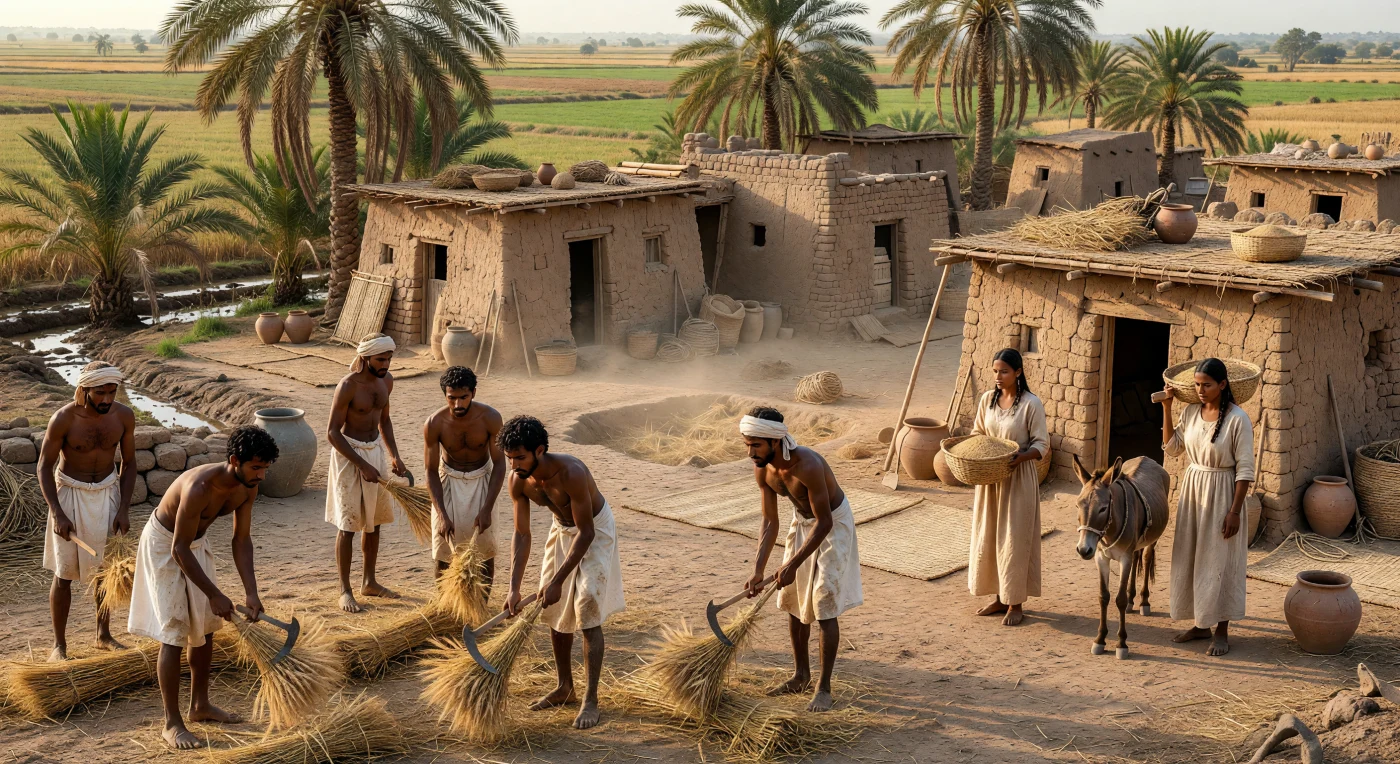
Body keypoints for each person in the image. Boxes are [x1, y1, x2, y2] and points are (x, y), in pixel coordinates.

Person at [127, 426, 278, 750]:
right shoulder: (199, 487)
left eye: (266, 468)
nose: (262, 475)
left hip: (195, 545)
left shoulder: (247, 487)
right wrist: (214, 593)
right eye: (256, 467)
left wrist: (251, 592)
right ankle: (172, 723)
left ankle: (200, 706)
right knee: (175, 632)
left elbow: (241, 539)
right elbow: (177, 549)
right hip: (164, 544)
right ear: (235, 460)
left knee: (207, 629)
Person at [501, 415, 624, 731]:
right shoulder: (518, 480)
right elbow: (522, 534)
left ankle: (591, 699)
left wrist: (557, 581)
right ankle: (564, 687)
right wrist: (513, 589)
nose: (514, 464)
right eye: (509, 457)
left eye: (520, 457)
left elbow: (586, 533)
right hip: (561, 530)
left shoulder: (571, 472)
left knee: (586, 606)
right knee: (553, 607)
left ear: (539, 450)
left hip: (594, 529)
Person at [741, 406, 862, 713]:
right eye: (747, 444)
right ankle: (800, 676)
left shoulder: (807, 465)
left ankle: (823, 688)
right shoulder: (762, 470)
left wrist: (792, 565)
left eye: (755, 445)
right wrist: (758, 570)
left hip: (832, 523)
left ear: (774, 441)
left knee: (823, 605)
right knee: (793, 601)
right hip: (802, 522)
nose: (750, 452)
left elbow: (824, 523)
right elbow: (769, 522)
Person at [38, 361, 137, 660]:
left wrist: (123, 508)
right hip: (69, 494)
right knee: (64, 574)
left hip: (108, 492)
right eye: (99, 393)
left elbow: (129, 463)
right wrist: (57, 512)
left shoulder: (124, 416)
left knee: (106, 570)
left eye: (112, 391)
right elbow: (44, 465)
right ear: (84, 390)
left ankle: (103, 634)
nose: (106, 399)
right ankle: (59, 645)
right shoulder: (63, 419)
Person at [1161, 357, 1255, 657]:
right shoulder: (1190, 412)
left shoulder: (1238, 419)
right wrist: (1166, 408)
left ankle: (1222, 629)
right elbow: (1173, 448)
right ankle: (1201, 624)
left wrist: (1235, 511)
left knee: (1220, 561)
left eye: (1207, 385)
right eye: (1197, 385)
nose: (1201, 390)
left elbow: (1245, 470)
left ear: (1223, 385)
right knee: (1193, 558)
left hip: (1223, 495)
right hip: (1194, 492)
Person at [325, 333, 408, 613]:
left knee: (374, 522)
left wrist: (394, 456)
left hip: (375, 452)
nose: (386, 364)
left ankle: (369, 582)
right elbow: (332, 433)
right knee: (348, 525)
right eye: (381, 359)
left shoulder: (387, 381)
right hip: (349, 455)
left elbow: (385, 421)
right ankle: (345, 590)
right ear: (365, 358)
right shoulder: (348, 386)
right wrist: (361, 464)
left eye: (389, 358)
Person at [968, 348, 1049, 627]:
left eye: (1004, 371)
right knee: (989, 536)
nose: (998, 377)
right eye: (995, 371)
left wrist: (1020, 457)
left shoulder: (1031, 404)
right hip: (991, 480)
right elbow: (977, 433)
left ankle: (1016, 602)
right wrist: (981, 455)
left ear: (1018, 372)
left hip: (1018, 480)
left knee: (1014, 539)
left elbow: (1042, 445)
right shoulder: (986, 400)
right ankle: (1000, 598)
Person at [423, 366, 505, 585]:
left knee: (485, 551)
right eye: (452, 398)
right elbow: (430, 471)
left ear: (473, 393)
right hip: (448, 480)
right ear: (445, 395)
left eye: (463, 397)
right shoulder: (434, 423)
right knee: (443, 552)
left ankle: (481, 610)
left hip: (482, 480)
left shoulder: (491, 418)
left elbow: (499, 464)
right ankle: (445, 609)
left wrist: (487, 508)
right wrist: (441, 514)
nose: (458, 404)